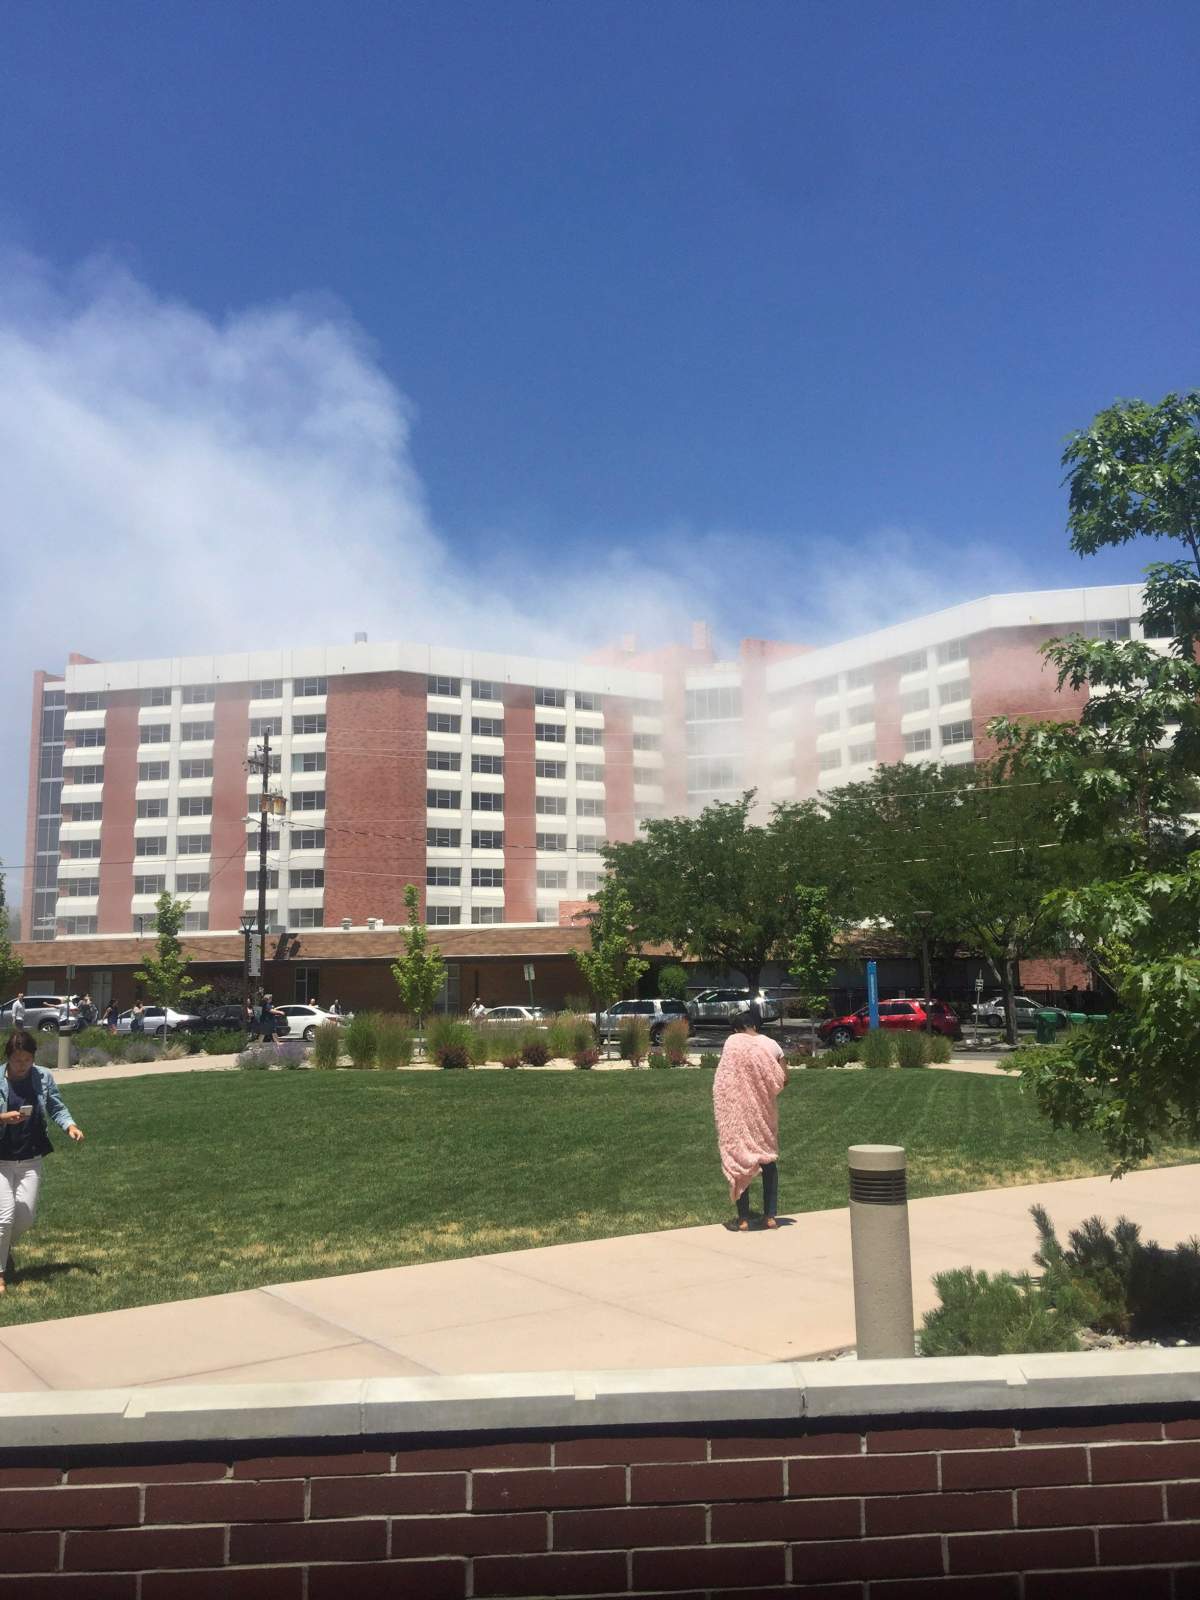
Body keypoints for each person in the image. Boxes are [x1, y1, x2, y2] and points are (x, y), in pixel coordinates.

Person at [0, 1029, 84, 1294]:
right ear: (8, 1058)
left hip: (30, 1158)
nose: (22, 1065)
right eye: (17, 1060)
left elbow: (56, 1106)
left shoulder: (43, 1076)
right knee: (4, 1218)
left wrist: (70, 1126)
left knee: (24, 1219)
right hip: (1, 1160)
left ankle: (3, 1247)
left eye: (27, 1060)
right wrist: (3, 1118)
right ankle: (0, 1274)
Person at [712, 1005, 788, 1231]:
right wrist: (762, 1091)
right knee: (768, 1158)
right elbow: (783, 1079)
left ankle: (744, 1219)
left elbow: (725, 1079)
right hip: (764, 1112)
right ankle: (770, 1217)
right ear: (754, 1025)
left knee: (740, 1160)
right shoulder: (771, 1045)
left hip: (739, 1112)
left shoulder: (732, 1043)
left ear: (736, 1030)